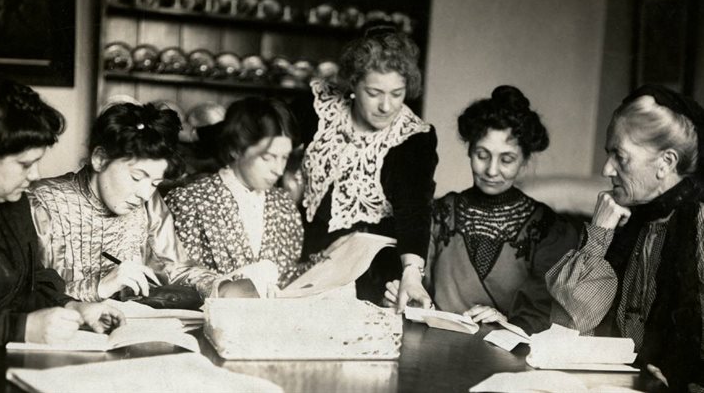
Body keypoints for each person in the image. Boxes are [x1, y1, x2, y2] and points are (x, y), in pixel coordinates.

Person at [546, 85, 704, 391]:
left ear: (667, 163)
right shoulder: (631, 221)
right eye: (608, 154)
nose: (606, 169)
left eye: (620, 156)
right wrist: (599, 234)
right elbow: (571, 327)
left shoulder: (698, 228)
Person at [384, 86, 578, 334]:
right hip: (436, 349)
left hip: (507, 358)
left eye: (506, 159)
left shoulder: (548, 229)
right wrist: (399, 297)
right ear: (469, 150)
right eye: (482, 155)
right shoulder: (438, 214)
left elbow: (546, 314)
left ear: (525, 160)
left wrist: (507, 323)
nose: (492, 170)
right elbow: (419, 292)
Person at [0, 77, 124, 345]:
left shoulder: (14, 201)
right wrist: (20, 328)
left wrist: (74, 307)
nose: (35, 175)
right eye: (25, 164)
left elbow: (32, 281)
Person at [301, 25, 438, 308]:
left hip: (371, 275)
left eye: (397, 94)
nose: (386, 106)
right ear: (353, 83)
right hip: (304, 259)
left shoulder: (414, 139)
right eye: (374, 92)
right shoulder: (319, 107)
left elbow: (415, 210)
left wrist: (412, 274)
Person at [29, 102, 218, 301]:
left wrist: (219, 286)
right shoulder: (41, 202)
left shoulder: (148, 202)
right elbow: (22, 298)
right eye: (136, 177)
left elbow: (176, 268)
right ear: (100, 159)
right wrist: (100, 287)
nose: (145, 193)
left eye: (155, 182)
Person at [165, 97, 304, 297]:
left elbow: (290, 276)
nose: (279, 170)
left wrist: (329, 259)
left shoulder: (284, 204)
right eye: (268, 157)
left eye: (284, 157)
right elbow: (178, 281)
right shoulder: (189, 201)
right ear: (235, 149)